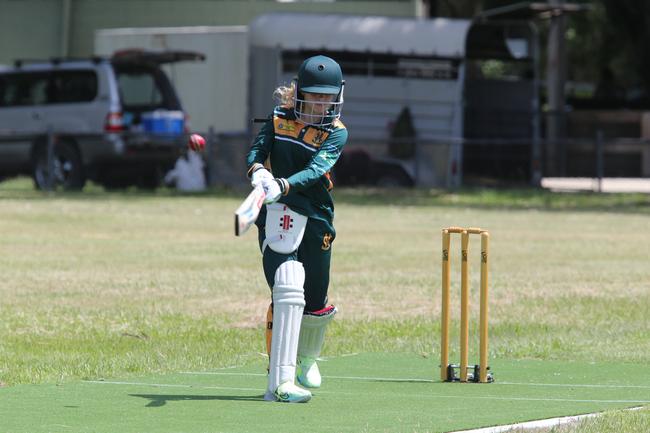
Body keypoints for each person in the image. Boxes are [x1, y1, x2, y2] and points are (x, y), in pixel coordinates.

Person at [246, 55, 348, 403]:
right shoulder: (278, 120)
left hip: (316, 213)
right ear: (300, 92)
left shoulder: (337, 132)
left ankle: (307, 358)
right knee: (289, 285)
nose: (321, 103)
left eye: (327, 97)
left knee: (316, 299)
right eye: (315, 95)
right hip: (279, 212)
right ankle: (281, 382)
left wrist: (283, 185)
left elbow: (317, 170)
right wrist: (258, 171)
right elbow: (257, 151)